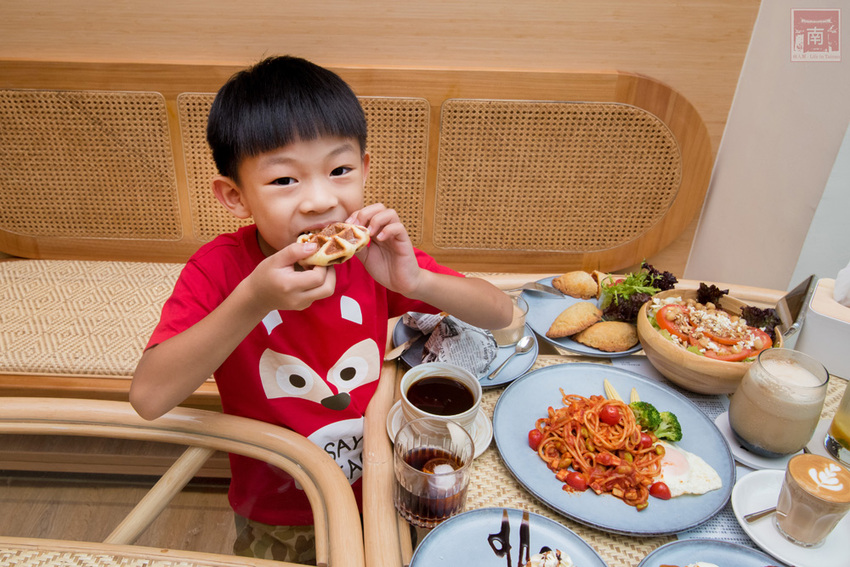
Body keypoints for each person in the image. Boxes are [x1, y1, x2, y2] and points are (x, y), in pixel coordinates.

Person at [130, 55, 512, 564]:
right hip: (278, 507)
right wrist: (252, 300)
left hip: (380, 479)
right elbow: (149, 396)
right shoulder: (219, 272)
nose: (318, 201)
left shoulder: (372, 259)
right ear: (235, 196)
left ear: (365, 169)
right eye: (285, 180)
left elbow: (500, 312)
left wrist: (415, 280)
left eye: (339, 170)